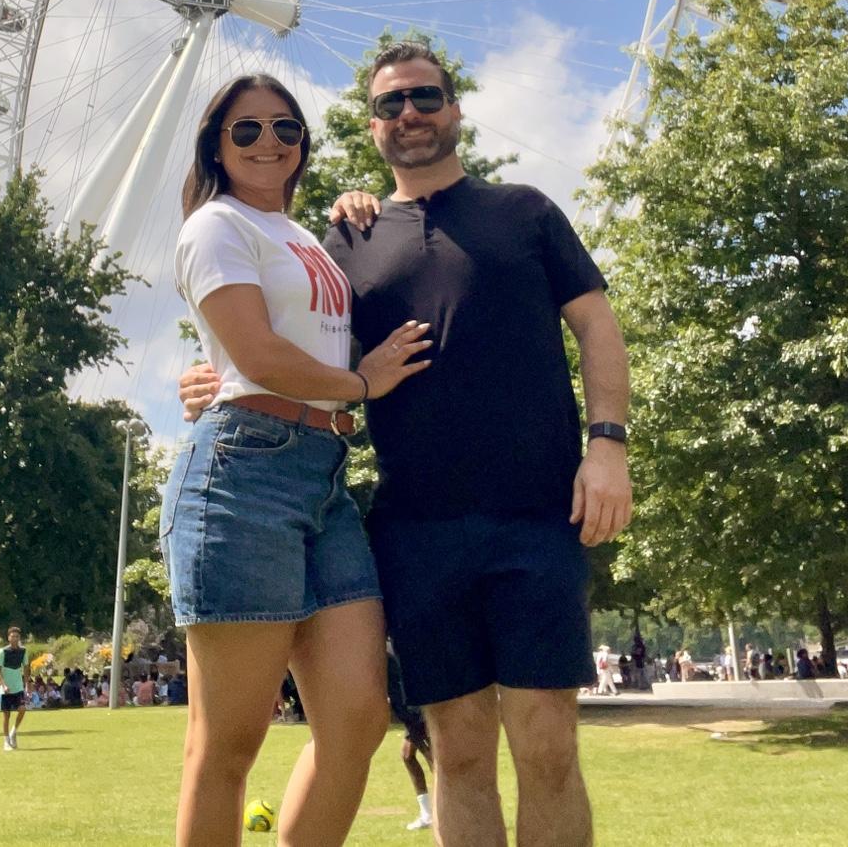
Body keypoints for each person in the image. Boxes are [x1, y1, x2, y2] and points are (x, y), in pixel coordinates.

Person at [181, 44, 634, 847]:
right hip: (414, 530)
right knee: (457, 750)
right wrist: (210, 377)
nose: (410, 115)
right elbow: (288, 331)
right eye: (391, 105)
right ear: (371, 126)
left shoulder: (525, 212)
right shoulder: (341, 242)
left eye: (425, 98)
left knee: (548, 744)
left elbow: (597, 324)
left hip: (537, 514)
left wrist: (609, 446)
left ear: (454, 110)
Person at [162, 73, 430, 847]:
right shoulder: (215, 226)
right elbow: (256, 353)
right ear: (217, 143)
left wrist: (359, 206)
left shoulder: (308, 237)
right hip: (242, 477)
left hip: (324, 479)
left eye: (286, 128)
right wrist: (359, 382)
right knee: (228, 743)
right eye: (246, 130)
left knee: (358, 719)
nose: (268, 142)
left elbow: (298, 334)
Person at [388, 645, 434, 833]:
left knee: (436, 763)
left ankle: (442, 813)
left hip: (415, 711)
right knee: (408, 756)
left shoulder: (388, 651)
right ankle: (427, 813)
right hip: (411, 711)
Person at [0, 627, 28, 750]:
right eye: (12, 636)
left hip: (18, 686)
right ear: (8, 637)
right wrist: (3, 684)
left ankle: (13, 732)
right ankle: (6, 741)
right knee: (6, 715)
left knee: (22, 709)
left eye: (17, 636)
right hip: (6, 688)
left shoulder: (23, 651)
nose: (14, 638)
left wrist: (26, 684)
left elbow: (25, 667)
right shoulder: (3, 651)